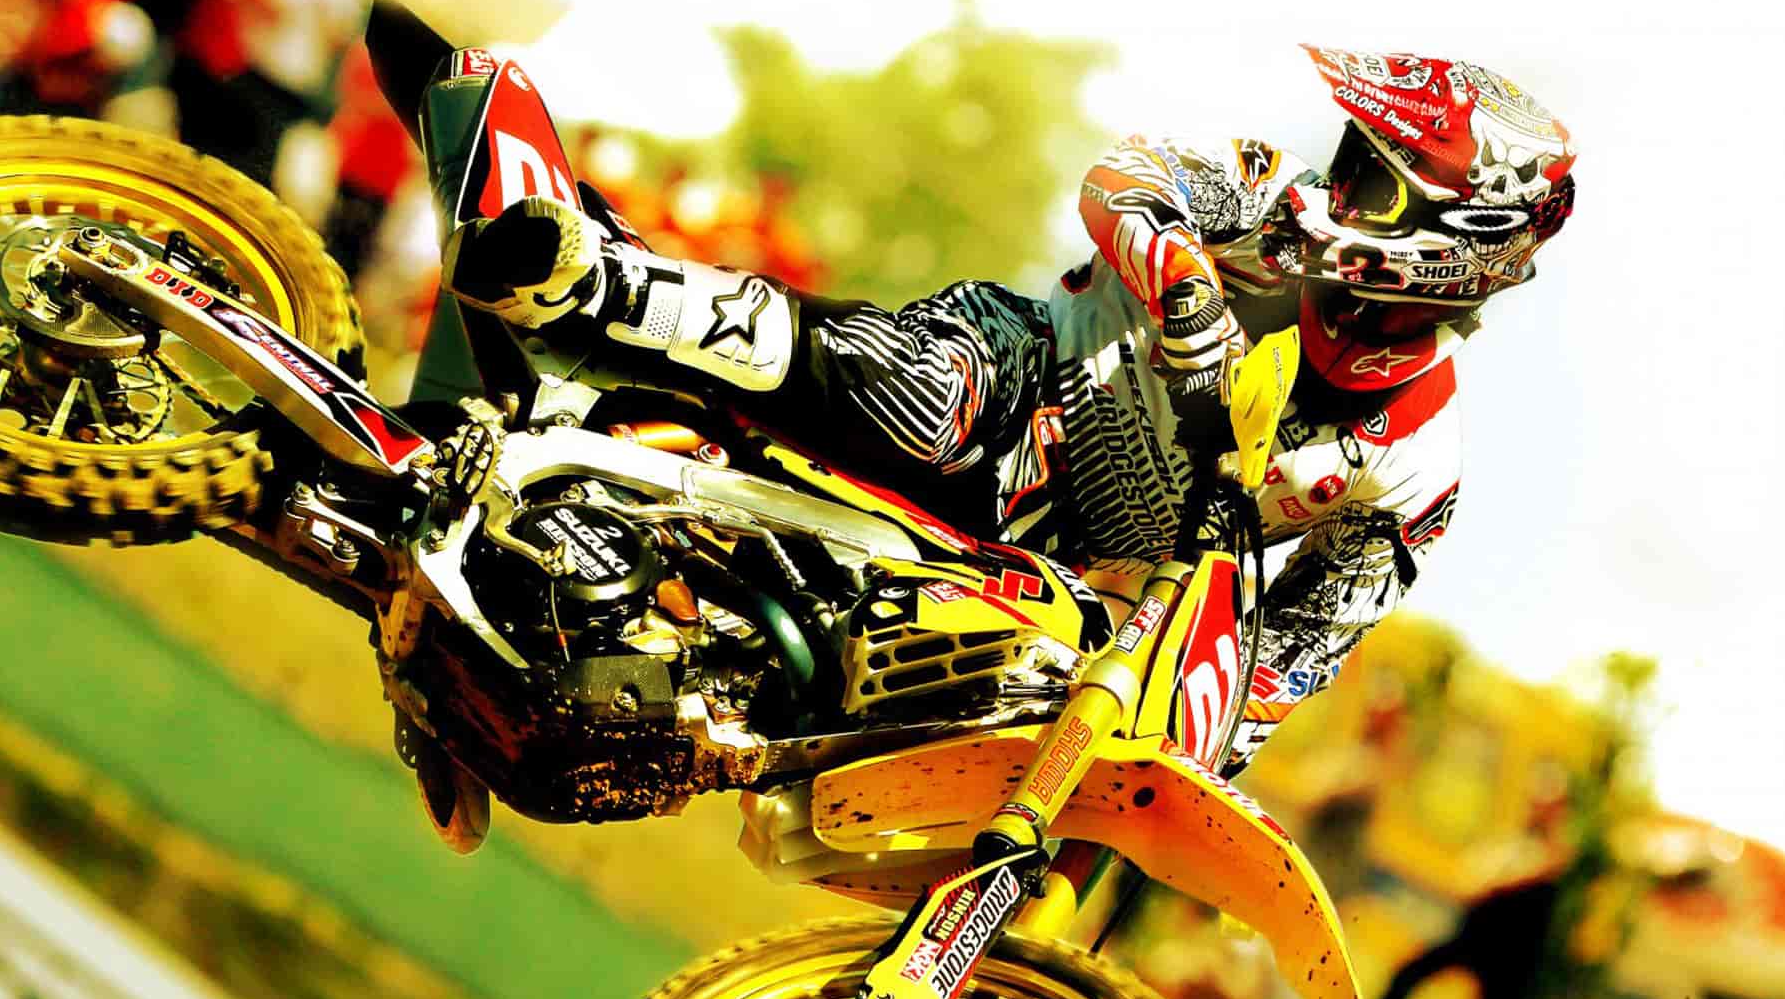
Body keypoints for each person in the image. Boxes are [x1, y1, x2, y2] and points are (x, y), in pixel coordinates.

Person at [447, 46, 1576, 773]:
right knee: (920, 397)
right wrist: (1182, 284)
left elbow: (1292, 659)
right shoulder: (1272, 201)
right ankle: (589, 279)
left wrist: (1185, 753)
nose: (1335, 191)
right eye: (1351, 161)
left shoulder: (1415, 464)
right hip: (1016, 377)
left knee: (903, 699)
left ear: (1456, 243)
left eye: (1373, 180)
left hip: (1058, 580)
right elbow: (1123, 175)